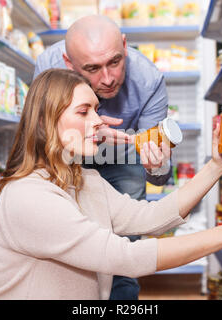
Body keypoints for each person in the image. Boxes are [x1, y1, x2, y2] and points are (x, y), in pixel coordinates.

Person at [0, 69, 222, 300]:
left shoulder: (83, 178)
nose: (99, 120)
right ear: (47, 121)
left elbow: (148, 218)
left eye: (96, 110)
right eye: (84, 111)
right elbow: (126, 258)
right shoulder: (29, 196)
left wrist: (217, 165)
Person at [33, 15, 173, 299]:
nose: (107, 79)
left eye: (115, 62)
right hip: (68, 155)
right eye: (92, 69)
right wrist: (84, 134)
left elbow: (160, 173)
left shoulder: (149, 80)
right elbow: (37, 144)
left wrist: (157, 165)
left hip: (123, 157)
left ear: (124, 45)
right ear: (68, 64)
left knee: (122, 251)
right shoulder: (48, 66)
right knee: (64, 243)